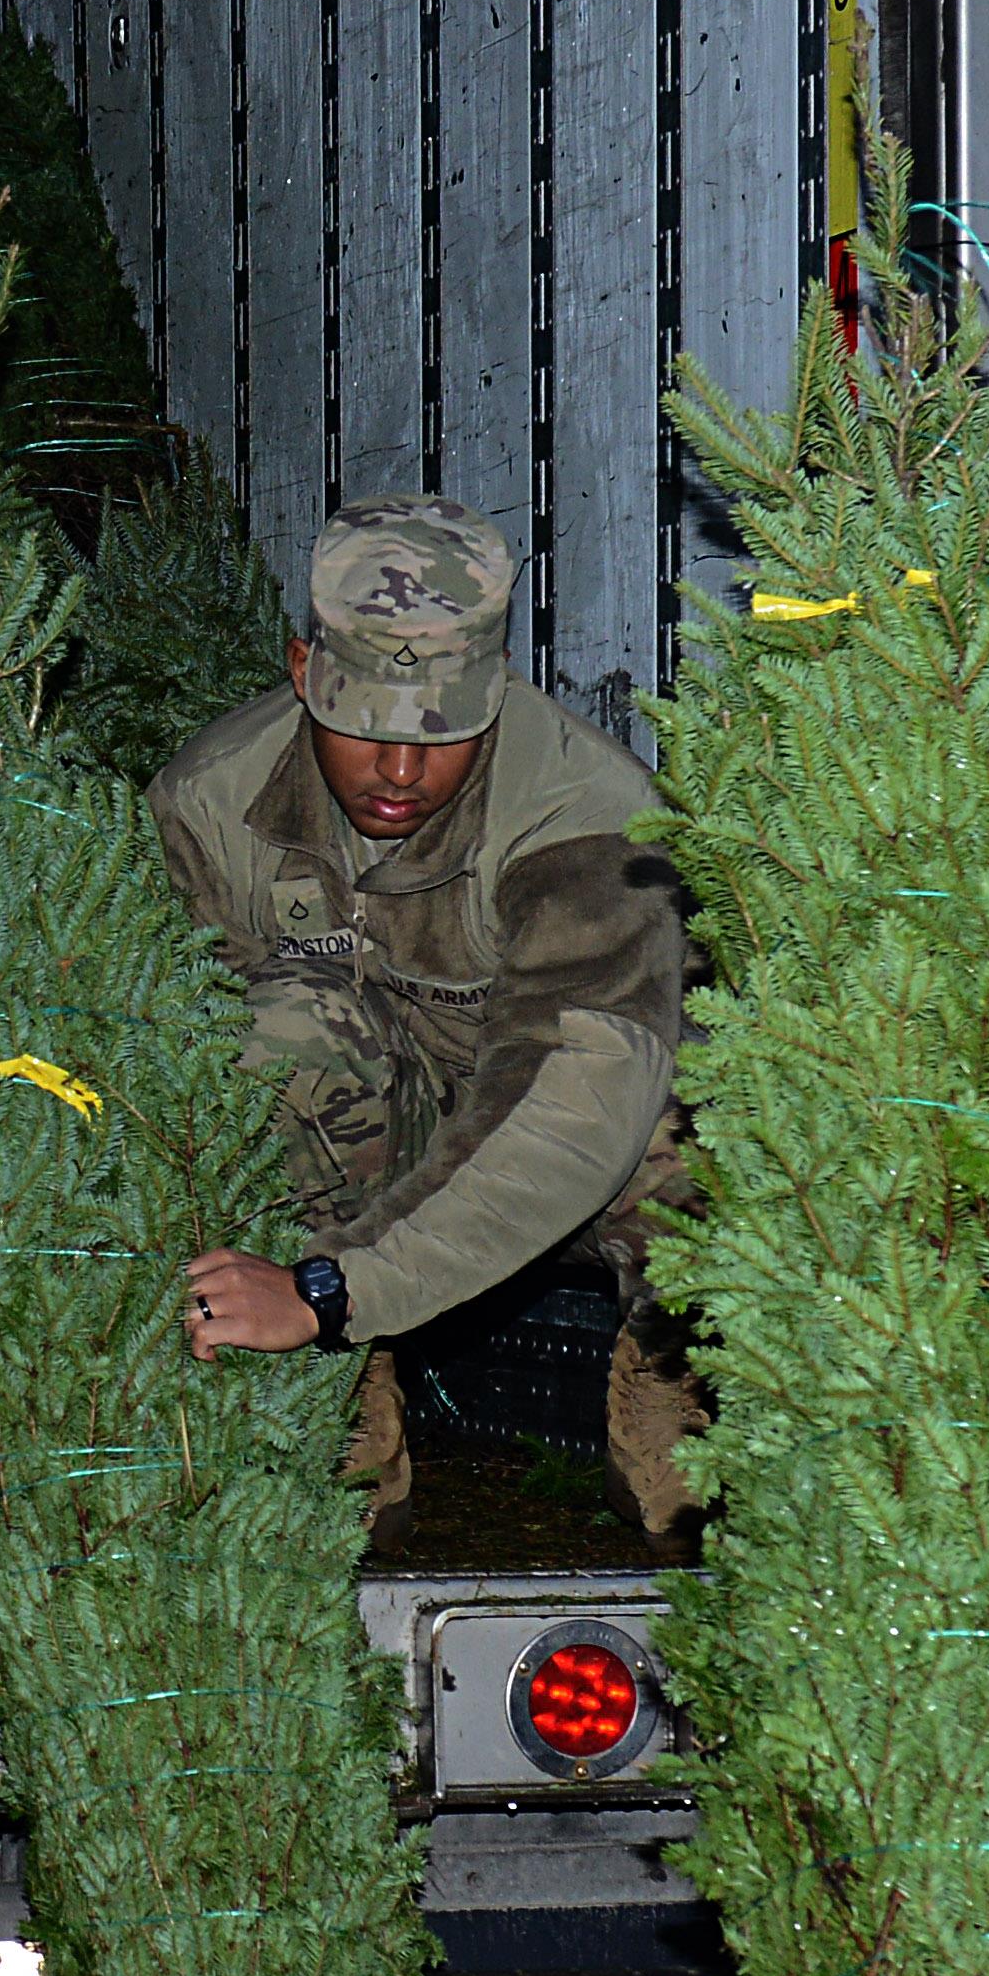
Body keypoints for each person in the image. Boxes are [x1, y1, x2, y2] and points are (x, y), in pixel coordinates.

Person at [152, 496, 698, 1529]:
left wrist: (329, 1292)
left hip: (596, 1154)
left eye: (442, 731)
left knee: (727, 1129)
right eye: (364, 724)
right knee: (276, 1039)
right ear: (303, 671)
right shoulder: (210, 803)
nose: (400, 771)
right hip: (380, 1140)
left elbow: (567, 1115)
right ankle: (346, 1423)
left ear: (497, 686)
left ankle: (670, 1378)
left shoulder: (588, 823)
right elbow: (171, 1070)